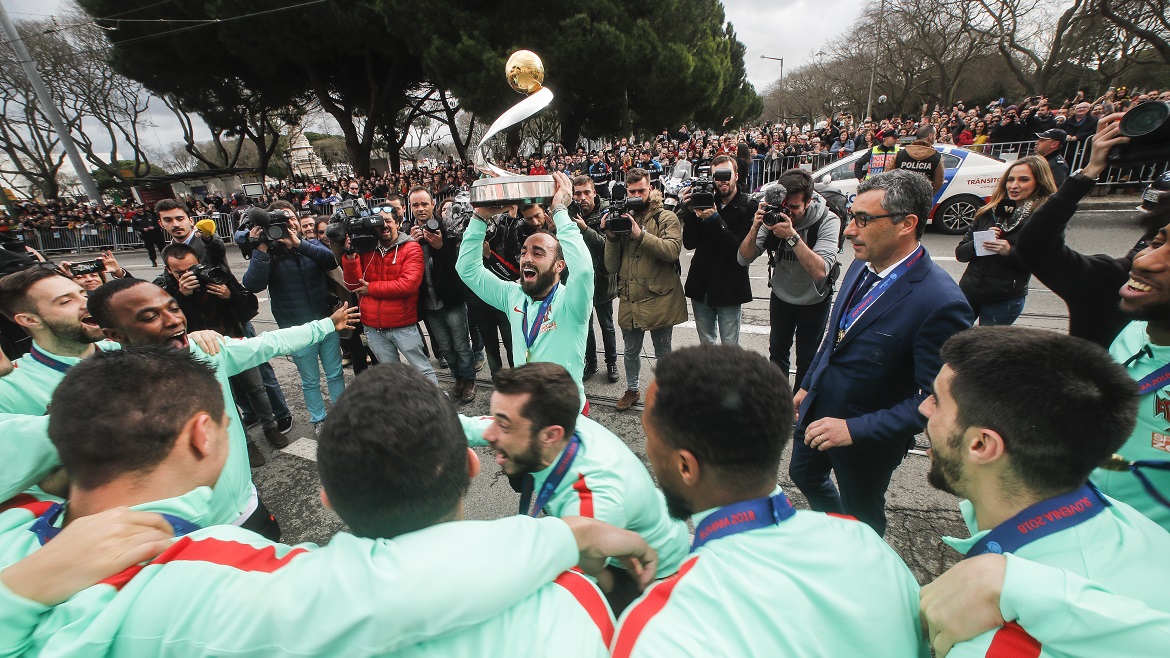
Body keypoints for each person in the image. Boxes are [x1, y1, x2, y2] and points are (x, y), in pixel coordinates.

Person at [0, 352, 658, 656]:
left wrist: (16, 593)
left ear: (325, 493)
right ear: (204, 434)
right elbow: (386, 591)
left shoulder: (18, 538)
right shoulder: (192, 574)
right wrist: (570, 540)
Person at [610, 343, 928, 657]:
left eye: (650, 438)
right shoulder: (867, 543)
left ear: (685, 467)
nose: (649, 452)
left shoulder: (663, 630)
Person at [917, 326, 1170, 656]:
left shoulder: (993, 642)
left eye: (937, 401)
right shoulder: (1136, 526)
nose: (924, 408)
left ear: (980, 444)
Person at [84, 278, 359, 537]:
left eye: (174, 308)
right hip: (193, 536)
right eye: (149, 317)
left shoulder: (206, 350)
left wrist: (325, 325)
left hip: (250, 508)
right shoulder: (103, 396)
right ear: (114, 334)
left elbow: (268, 344)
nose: (173, 321)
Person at [790, 169, 973, 535]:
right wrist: (808, 384)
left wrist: (853, 429)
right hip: (817, 409)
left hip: (867, 440)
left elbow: (936, 400)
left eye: (863, 219)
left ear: (906, 224)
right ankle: (841, 531)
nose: (849, 230)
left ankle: (863, 556)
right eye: (850, 217)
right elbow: (834, 337)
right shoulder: (862, 261)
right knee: (803, 475)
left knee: (864, 512)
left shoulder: (941, 302)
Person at [461, 362, 689, 612]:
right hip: (628, 529)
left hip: (648, 570)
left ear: (550, 436)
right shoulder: (555, 419)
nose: (490, 434)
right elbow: (474, 426)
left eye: (503, 425)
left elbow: (570, 590)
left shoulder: (592, 500)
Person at [457, 171, 594, 410]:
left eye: (538, 253)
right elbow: (467, 269)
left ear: (559, 266)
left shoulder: (572, 302)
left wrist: (560, 211)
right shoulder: (513, 295)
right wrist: (480, 217)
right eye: (523, 253)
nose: (527, 259)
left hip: (565, 414)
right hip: (527, 411)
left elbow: (583, 271)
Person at [1015, 113, 1143, 347]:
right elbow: (1035, 244)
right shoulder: (1116, 281)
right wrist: (1092, 169)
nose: (1151, 261)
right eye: (1154, 243)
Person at [161, 242, 287, 465]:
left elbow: (249, 308)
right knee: (225, 398)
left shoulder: (216, 275)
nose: (188, 275)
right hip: (202, 352)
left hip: (234, 341)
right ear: (169, 271)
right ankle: (247, 444)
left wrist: (230, 295)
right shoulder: (164, 291)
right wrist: (181, 296)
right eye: (180, 272)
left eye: (192, 268)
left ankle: (271, 428)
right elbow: (168, 327)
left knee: (256, 389)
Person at [242, 201, 346, 434]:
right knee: (310, 380)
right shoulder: (267, 254)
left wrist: (298, 244)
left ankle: (342, 416)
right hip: (296, 330)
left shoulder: (310, 245)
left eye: (290, 218)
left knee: (335, 373)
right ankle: (319, 419)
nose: (287, 224)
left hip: (326, 322)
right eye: (280, 220)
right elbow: (252, 284)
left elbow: (331, 261)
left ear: (297, 222)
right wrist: (261, 249)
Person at [738, 169, 841, 386]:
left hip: (815, 299)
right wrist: (756, 226)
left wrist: (792, 237)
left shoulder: (827, 220)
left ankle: (800, 407)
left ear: (809, 202)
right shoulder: (774, 216)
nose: (789, 214)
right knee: (777, 352)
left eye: (795, 208)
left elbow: (820, 271)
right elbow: (743, 258)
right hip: (782, 296)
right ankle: (779, 401)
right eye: (786, 207)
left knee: (807, 357)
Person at [604, 169, 687, 412]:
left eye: (641, 190)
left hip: (659, 296)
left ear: (650, 188)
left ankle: (666, 392)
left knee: (663, 349)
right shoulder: (620, 218)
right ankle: (632, 389)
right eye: (632, 192)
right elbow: (610, 266)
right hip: (630, 297)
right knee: (630, 351)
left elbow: (672, 250)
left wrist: (640, 235)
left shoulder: (666, 218)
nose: (636, 196)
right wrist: (610, 237)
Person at [340, 200, 436, 386]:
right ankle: (402, 409)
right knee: (391, 375)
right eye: (379, 222)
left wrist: (371, 289)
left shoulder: (411, 247)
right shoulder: (365, 249)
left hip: (403, 325)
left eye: (388, 221)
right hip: (373, 328)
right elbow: (353, 285)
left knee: (422, 370)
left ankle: (437, 406)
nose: (383, 225)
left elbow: (408, 285)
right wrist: (351, 257)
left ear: (398, 223)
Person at [955, 156, 1057, 326]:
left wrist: (1009, 252)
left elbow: (1045, 264)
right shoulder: (988, 212)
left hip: (1003, 301)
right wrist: (978, 244)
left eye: (1023, 180)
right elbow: (960, 254)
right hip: (968, 292)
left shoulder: (1043, 220)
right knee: (951, 337)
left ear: (1039, 182)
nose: (1014, 185)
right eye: (1010, 179)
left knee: (985, 348)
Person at [0, 268, 113, 415]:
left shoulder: (128, 348)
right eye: (66, 301)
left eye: (83, 294)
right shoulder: (9, 389)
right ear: (30, 320)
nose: (88, 304)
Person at [406, 187, 477, 402]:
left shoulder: (448, 229)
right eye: (415, 205)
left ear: (432, 205)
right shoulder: (407, 233)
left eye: (424, 204)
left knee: (461, 344)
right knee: (445, 346)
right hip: (428, 303)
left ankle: (469, 379)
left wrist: (441, 246)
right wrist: (409, 243)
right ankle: (458, 379)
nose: (420, 209)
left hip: (451, 300)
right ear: (410, 208)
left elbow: (460, 267)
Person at [677, 155, 755, 345]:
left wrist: (714, 219)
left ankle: (729, 376)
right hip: (701, 284)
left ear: (736, 175)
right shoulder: (703, 200)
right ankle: (710, 376)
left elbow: (738, 250)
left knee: (729, 347)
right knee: (707, 345)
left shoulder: (748, 205)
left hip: (730, 286)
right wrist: (689, 211)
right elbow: (689, 243)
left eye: (726, 174)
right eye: (717, 176)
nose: (722, 180)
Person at [570, 175, 620, 383]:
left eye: (586, 192)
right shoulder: (570, 212)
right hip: (580, 279)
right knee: (585, 325)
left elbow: (607, 245)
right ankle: (591, 362)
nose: (582, 197)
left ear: (594, 193)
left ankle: (612, 362)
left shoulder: (606, 212)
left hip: (602, 278)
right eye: (578, 193)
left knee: (606, 324)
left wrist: (585, 229)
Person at [893, 126, 944, 193]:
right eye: (935, 135)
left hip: (900, 196)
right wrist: (928, 194)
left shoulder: (900, 154)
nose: (935, 138)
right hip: (923, 197)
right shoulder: (936, 156)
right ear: (930, 136)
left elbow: (888, 175)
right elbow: (938, 182)